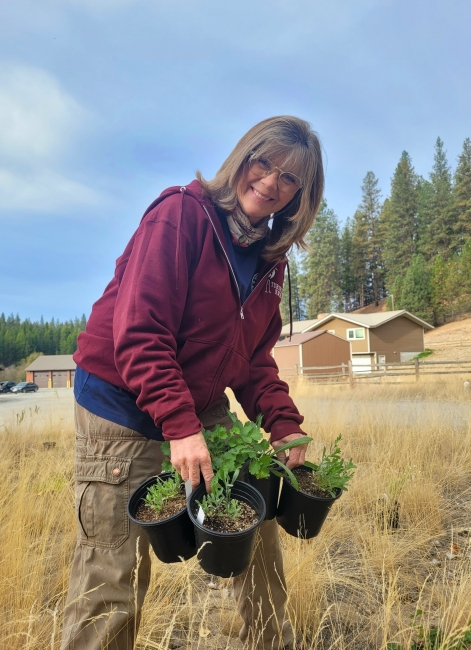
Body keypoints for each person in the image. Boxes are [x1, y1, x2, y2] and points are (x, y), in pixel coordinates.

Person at [60, 115, 324, 650]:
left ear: (300, 195)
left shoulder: (269, 261)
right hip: (121, 403)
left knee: (255, 528)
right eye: (263, 163)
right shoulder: (181, 215)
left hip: (197, 405)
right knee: (114, 574)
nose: (270, 182)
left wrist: (283, 423)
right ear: (242, 159)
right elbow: (140, 333)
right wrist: (181, 427)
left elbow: (253, 361)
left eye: (289, 178)